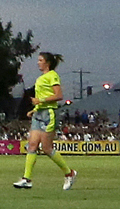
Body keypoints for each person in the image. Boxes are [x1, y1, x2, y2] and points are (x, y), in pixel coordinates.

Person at [15, 52, 75, 191]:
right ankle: (27, 179)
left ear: (47, 63)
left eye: (40, 60)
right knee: (32, 145)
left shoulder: (52, 75)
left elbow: (59, 95)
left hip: (49, 114)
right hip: (39, 113)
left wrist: (40, 101)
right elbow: (42, 97)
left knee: (47, 148)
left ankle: (69, 173)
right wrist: (35, 109)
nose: (38, 62)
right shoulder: (41, 78)